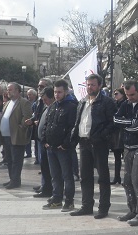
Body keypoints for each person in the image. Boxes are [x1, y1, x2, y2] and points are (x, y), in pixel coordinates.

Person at [70, 74, 116, 219]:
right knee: (85, 176)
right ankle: (86, 205)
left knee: (103, 177)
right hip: (83, 143)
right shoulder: (82, 101)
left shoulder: (107, 102)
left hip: (99, 143)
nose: (90, 87)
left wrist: (102, 135)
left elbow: (113, 123)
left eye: (93, 85)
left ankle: (103, 207)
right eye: (88, 85)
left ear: (99, 86)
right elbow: (78, 121)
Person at [114, 80, 138, 226]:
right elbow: (116, 119)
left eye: (132, 94)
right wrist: (131, 122)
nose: (129, 97)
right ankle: (133, 210)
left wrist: (127, 124)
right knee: (127, 181)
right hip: (128, 146)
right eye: (127, 94)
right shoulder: (125, 104)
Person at [41, 79, 78, 211]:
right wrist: (44, 140)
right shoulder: (52, 106)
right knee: (55, 176)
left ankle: (69, 201)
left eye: (59, 92)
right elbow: (47, 124)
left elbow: (72, 128)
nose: (57, 94)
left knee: (67, 176)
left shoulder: (72, 107)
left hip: (63, 149)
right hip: (51, 147)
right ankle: (56, 199)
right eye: (55, 92)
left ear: (66, 92)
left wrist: (66, 144)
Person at [0, 82, 33, 189]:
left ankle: (15, 180)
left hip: (17, 136)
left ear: (17, 91)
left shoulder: (24, 102)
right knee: (9, 160)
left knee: (16, 161)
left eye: (10, 89)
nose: (8, 91)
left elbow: (27, 116)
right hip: (6, 136)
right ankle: (12, 179)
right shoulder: (8, 103)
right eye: (8, 89)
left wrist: (21, 126)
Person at [31, 86, 54, 199]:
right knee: (44, 167)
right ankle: (45, 188)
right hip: (42, 141)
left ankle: (49, 190)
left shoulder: (54, 107)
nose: (43, 101)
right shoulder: (46, 107)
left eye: (45, 99)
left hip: (49, 143)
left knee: (50, 169)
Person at [110, 87, 126, 185]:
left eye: (117, 94)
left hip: (123, 132)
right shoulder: (114, 104)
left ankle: (125, 177)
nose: (115, 96)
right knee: (116, 157)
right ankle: (117, 177)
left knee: (126, 157)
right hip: (116, 133)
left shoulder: (125, 104)